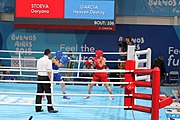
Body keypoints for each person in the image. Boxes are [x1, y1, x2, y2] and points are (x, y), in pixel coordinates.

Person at [35, 49, 58, 113]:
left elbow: (37, 71)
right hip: (45, 78)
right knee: (48, 94)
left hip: (39, 77)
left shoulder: (39, 60)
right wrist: (51, 80)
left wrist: (39, 77)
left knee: (39, 93)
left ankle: (38, 108)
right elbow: (49, 71)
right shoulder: (48, 61)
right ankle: (50, 108)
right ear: (49, 54)